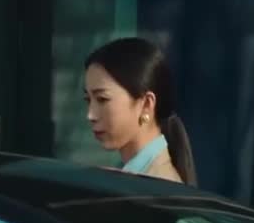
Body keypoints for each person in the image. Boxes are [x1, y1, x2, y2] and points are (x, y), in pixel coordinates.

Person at [83, 37, 197, 186]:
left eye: (102, 99)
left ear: (147, 104)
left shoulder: (157, 187)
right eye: (88, 100)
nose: (90, 115)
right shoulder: (135, 180)